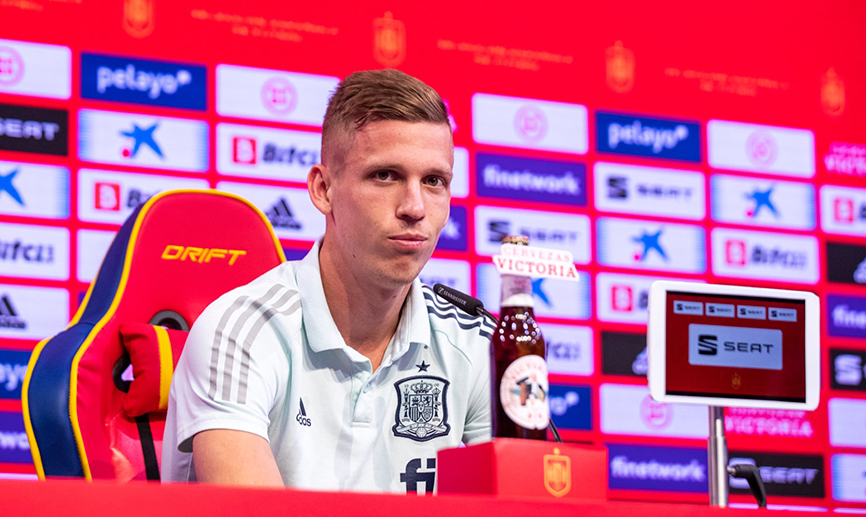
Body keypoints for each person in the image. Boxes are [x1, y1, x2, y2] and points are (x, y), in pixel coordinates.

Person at [162, 69, 494, 493]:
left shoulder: (475, 341)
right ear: (323, 189)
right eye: (385, 176)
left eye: (434, 181)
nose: (415, 207)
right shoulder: (238, 332)